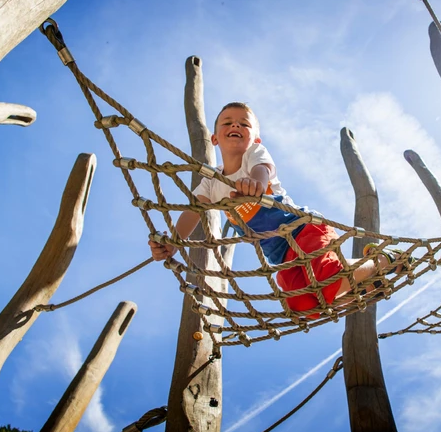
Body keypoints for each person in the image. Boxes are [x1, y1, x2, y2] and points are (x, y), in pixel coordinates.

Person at [148, 102, 402, 315]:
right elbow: (194, 209)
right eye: (227, 122)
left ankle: (382, 259)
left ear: (254, 138)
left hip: (302, 229)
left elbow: (263, 172)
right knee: (301, 307)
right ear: (214, 138)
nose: (235, 125)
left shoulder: (254, 155)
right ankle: (366, 283)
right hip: (280, 256)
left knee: (329, 280)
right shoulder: (211, 181)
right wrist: (174, 242)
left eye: (244, 123)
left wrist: (255, 184)